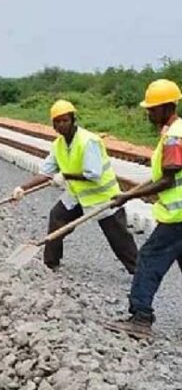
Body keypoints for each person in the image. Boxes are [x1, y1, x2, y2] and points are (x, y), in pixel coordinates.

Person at [11, 99, 137, 273]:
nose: (62, 125)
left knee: (118, 237)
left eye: (65, 120)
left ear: (73, 120)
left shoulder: (88, 141)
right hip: (77, 195)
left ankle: (138, 271)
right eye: (58, 122)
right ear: (53, 125)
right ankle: (50, 263)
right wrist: (22, 188)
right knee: (57, 217)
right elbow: (45, 172)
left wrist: (66, 175)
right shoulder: (58, 145)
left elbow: (93, 174)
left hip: (103, 197)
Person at [106, 79, 182, 339]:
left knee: (148, 259)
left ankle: (141, 318)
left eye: (152, 108)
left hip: (178, 216)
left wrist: (129, 195)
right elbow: (161, 175)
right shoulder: (174, 132)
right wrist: (128, 194)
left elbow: (167, 179)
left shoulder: (174, 137)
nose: (148, 113)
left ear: (166, 107)